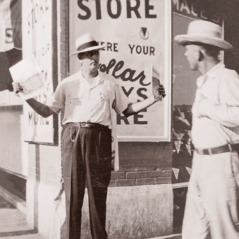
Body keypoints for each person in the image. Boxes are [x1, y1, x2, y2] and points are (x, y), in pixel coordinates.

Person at [13, 33, 166, 239]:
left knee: (98, 197)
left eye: (95, 52)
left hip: (99, 140)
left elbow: (127, 110)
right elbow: (47, 110)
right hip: (73, 138)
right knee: (73, 197)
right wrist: (25, 95)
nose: (93, 57)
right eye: (87, 54)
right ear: (80, 59)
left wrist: (153, 99)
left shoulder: (110, 84)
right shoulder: (67, 84)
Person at [175, 20, 239, 239]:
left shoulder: (226, 77)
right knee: (193, 232)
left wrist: (208, 108)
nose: (185, 55)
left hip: (220, 162)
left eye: (188, 49)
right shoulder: (204, 82)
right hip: (201, 162)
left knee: (224, 232)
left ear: (200, 52)